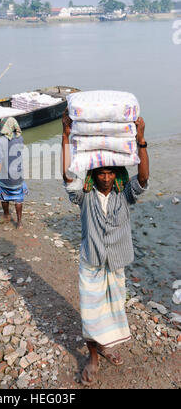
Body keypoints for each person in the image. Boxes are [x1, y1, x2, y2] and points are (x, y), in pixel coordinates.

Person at [62, 110, 149, 387]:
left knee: (113, 309)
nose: (107, 177)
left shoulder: (125, 195)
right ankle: (93, 356)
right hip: (91, 261)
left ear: (117, 173)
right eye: (102, 172)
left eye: (111, 172)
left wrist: (141, 140)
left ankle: (107, 345)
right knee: (90, 311)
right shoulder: (84, 196)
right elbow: (67, 177)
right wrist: (65, 137)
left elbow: (144, 180)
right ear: (94, 174)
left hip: (117, 261)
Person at [0, 117, 28, 229]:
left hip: (5, 176)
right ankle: (19, 223)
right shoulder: (20, 139)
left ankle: (6, 215)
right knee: (18, 199)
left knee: (4, 196)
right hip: (18, 175)